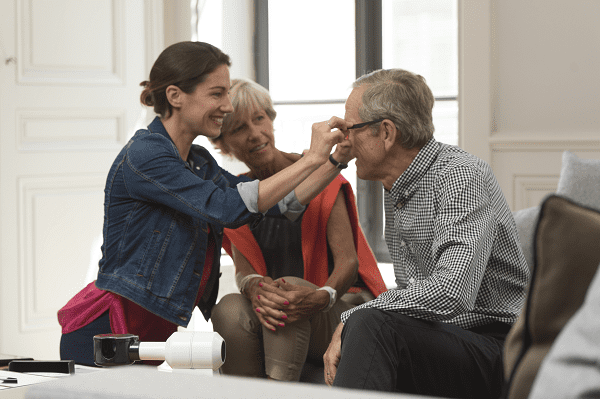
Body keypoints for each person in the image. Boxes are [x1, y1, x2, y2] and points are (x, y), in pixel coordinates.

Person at [57, 41, 352, 366]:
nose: (227, 106)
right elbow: (228, 207)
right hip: (105, 329)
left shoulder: (197, 162)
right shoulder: (146, 155)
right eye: (217, 94)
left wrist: (335, 160)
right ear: (175, 96)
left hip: (150, 329)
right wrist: (311, 159)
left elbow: (274, 205)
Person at [322, 69, 530, 398]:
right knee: (368, 324)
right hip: (445, 337)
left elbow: (451, 293)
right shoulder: (397, 186)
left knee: (368, 323)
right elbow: (414, 298)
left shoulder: (461, 176)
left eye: (351, 129)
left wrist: (355, 314)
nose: (344, 140)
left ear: (386, 133)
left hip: (500, 349)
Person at [207, 79, 388, 381]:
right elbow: (243, 270)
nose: (254, 134)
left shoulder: (322, 172)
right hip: (282, 310)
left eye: (259, 119)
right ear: (223, 144)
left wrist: (321, 296)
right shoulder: (234, 193)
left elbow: (348, 263)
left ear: (272, 119)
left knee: (289, 291)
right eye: (238, 128)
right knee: (228, 309)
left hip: (341, 306)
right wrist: (255, 288)